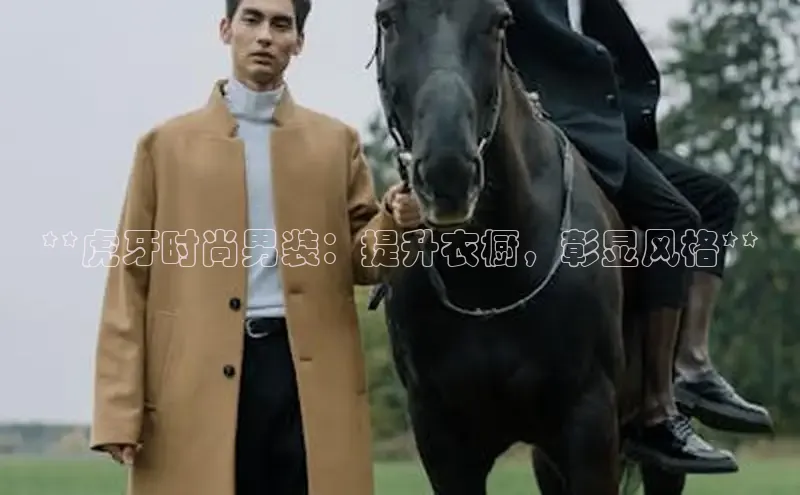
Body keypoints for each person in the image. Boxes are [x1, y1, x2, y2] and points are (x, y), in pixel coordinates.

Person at [89, 1, 420, 494]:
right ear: (226, 29)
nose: (265, 35)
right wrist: (119, 408)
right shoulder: (164, 146)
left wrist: (395, 221)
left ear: (298, 43)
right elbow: (128, 279)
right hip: (195, 382)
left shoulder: (336, 144)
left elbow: (364, 260)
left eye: (281, 24)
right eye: (252, 19)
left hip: (306, 381)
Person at [505, 0, 770, 474]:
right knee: (674, 218)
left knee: (716, 200)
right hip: (552, 133)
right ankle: (656, 409)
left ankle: (692, 363)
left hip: (607, 133)